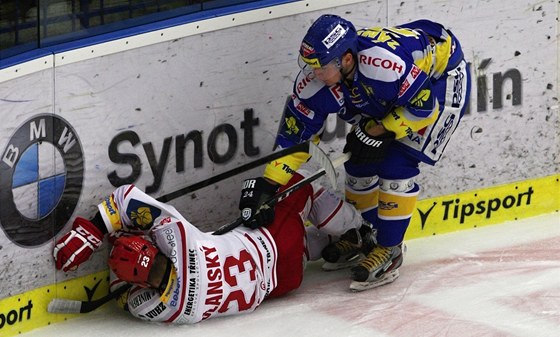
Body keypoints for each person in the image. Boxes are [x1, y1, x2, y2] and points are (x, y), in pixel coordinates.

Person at [237, 14, 471, 291]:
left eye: (320, 67)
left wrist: (378, 131)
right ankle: (363, 233)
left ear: (346, 59)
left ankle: (390, 249)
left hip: (440, 82)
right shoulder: (320, 79)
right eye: (309, 66)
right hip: (394, 89)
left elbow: (423, 108)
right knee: (359, 164)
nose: (313, 74)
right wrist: (269, 184)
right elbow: (295, 136)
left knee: (396, 164)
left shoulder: (384, 66)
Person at [52, 171, 371, 324]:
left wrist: (119, 252)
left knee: (297, 249)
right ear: (155, 250)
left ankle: (335, 243)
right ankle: (360, 228)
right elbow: (125, 197)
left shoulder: (164, 309)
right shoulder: (178, 238)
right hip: (274, 240)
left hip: (283, 283)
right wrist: (94, 228)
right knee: (299, 182)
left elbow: (123, 294)